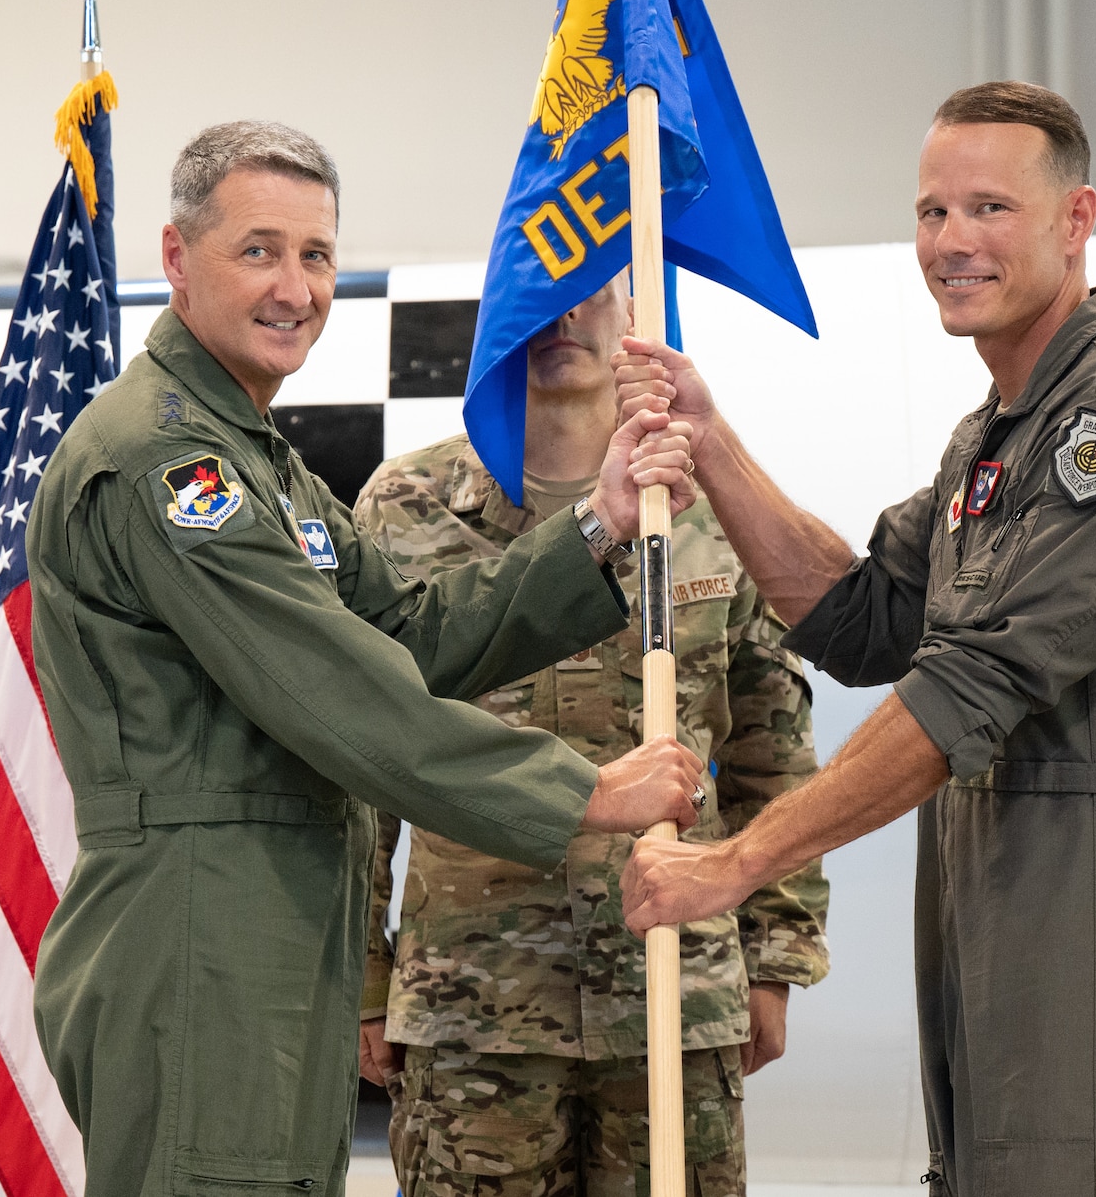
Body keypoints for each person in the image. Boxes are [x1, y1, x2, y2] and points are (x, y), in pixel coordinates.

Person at [25, 121, 708, 1197]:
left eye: (315, 254)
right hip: (199, 927)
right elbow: (338, 691)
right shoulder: (167, 459)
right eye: (258, 249)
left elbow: (408, 635)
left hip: (270, 924)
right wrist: (579, 791)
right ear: (174, 257)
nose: (293, 286)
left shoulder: (259, 460)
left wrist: (596, 526)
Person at [615, 82, 1096, 1197]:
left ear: (1073, 219)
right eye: (930, 213)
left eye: (987, 209)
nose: (951, 242)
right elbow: (860, 617)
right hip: (1000, 904)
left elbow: (965, 689)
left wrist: (733, 863)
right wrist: (708, 443)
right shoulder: (999, 436)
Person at [351, 272, 829, 1197]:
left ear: (635, 313)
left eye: (588, 286)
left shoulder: (710, 502)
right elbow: (364, 762)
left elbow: (774, 754)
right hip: (472, 1008)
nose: (560, 312)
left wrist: (774, 956)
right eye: (540, 283)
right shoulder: (401, 506)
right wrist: (364, 978)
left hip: (672, 994)